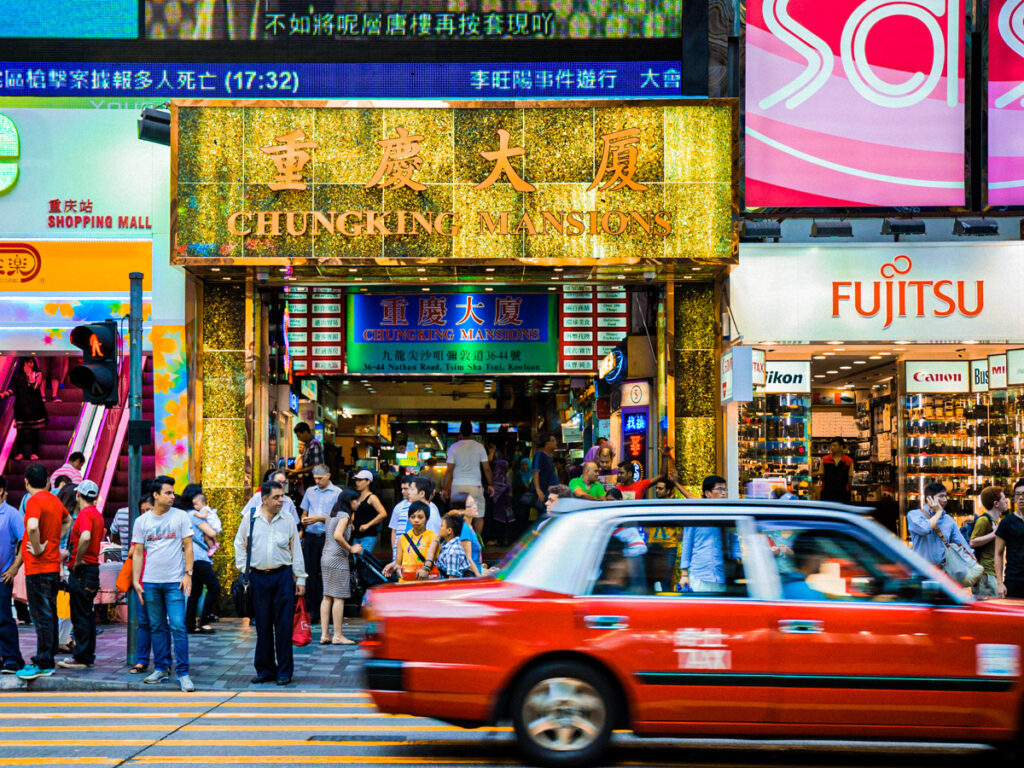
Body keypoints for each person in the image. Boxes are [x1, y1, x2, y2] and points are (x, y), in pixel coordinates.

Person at [233, 481, 306, 686]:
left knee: (283, 626)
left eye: (282, 496)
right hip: (258, 578)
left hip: (283, 576)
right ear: (264, 499)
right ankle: (265, 670)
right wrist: (243, 568)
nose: (281, 500)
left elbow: (296, 550)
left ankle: (284, 671)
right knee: (263, 625)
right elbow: (239, 543)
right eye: (276, 497)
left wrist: (300, 578)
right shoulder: (251, 518)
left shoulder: (288, 519)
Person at [132, 478, 195, 692]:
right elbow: (138, 552)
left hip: (174, 581)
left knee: (178, 626)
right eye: (168, 492)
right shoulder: (142, 521)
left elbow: (188, 546)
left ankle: (183, 673)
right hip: (150, 581)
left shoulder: (180, 516)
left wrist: (188, 573)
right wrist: (135, 580)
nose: (172, 496)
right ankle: (160, 668)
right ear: (156, 495)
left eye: (173, 493)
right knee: (157, 626)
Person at [16, 464, 70, 680]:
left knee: (41, 616)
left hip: (38, 568)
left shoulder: (34, 501)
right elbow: (68, 520)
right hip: (52, 566)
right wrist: (53, 543)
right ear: (48, 480)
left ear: (26, 482)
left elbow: (31, 526)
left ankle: (44, 662)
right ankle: (48, 657)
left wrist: (38, 548)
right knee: (50, 614)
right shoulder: (54, 500)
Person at [58, 480, 104, 670]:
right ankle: (86, 655)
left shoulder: (85, 514)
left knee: (80, 615)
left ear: (78, 495)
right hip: (92, 571)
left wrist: (77, 560)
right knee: (86, 614)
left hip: (83, 570)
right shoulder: (97, 515)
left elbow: (85, 536)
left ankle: (82, 657)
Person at [677, 475, 741, 593]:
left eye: (725, 490)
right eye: (720, 489)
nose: (724, 493)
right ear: (707, 493)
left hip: (722, 575)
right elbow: (687, 544)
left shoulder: (728, 514)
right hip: (700, 575)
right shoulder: (695, 515)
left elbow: (733, 538)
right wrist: (684, 574)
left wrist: (737, 558)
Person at [298, 464, 341, 620]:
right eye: (315, 478)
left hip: (327, 537)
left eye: (320, 478)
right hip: (310, 537)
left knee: (328, 574)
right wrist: (304, 519)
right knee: (310, 572)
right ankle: (312, 609)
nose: (317, 481)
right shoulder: (310, 491)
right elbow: (304, 511)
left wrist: (319, 519)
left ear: (328, 476)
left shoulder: (337, 493)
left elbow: (338, 518)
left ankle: (328, 611)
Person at [321, 489, 361, 645]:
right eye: (355, 501)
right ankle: (337, 635)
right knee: (339, 597)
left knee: (327, 597)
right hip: (338, 559)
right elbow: (338, 535)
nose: (358, 503)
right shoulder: (344, 516)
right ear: (349, 502)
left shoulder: (331, 516)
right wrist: (350, 548)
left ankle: (325, 634)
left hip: (325, 557)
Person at [180, 486, 222, 634]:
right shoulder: (193, 514)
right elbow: (211, 531)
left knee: (195, 591)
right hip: (199, 557)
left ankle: (189, 624)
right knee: (214, 586)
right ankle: (204, 621)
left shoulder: (186, 514)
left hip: (193, 557)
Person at [906, 482, 974, 569]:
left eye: (945, 496)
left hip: (943, 572)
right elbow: (925, 529)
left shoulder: (948, 520)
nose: (945, 500)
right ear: (929, 498)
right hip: (921, 572)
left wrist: (971, 556)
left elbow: (961, 542)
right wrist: (938, 512)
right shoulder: (914, 515)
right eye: (941, 496)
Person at [442, 420, 492, 536]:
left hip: (457, 485)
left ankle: (459, 541)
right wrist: (490, 485)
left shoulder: (454, 447)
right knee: (478, 515)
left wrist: (445, 489)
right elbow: (487, 469)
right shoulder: (479, 447)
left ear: (460, 432)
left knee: (457, 515)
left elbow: (449, 470)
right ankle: (476, 542)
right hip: (475, 485)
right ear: (472, 432)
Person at [125, 495, 154, 674]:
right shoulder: (141, 526)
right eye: (142, 511)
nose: (145, 514)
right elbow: (132, 551)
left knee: (160, 624)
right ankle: (142, 660)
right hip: (141, 581)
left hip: (158, 580)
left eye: (148, 510)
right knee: (143, 623)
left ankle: (162, 662)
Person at [0, 476, 25, 674]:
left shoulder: (11, 514)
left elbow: (24, 541)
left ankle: (12, 658)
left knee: (4, 618)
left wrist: (15, 568)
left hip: (2, 576)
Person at [2, 358, 48, 462]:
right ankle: (20, 452)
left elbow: (35, 387)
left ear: (33, 363)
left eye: (30, 362)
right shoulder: (18, 376)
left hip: (34, 407)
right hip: (21, 407)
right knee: (20, 431)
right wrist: (4, 394)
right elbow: (13, 389)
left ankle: (34, 452)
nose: (28, 364)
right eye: (26, 362)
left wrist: (29, 375)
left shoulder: (38, 374)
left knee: (34, 431)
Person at [970, 486, 1006, 598]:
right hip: (985, 574)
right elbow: (972, 542)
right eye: (1004, 499)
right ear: (996, 503)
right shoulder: (984, 520)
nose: (1007, 501)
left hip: (991, 573)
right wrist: (994, 533)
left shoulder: (995, 521)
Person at [996, 478, 1024, 599]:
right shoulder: (1006, 522)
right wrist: (999, 583)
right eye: (1018, 494)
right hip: (1014, 580)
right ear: (1014, 498)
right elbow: (998, 553)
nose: (1021, 497)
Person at [395, 501, 436, 582]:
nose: (416, 520)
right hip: (406, 581)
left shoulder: (433, 537)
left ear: (427, 518)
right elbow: (397, 563)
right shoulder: (402, 538)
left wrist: (426, 569)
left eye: (420, 517)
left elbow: (433, 559)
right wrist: (397, 569)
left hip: (424, 581)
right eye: (412, 517)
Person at [351, 469, 387, 554]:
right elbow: (355, 513)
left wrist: (368, 525)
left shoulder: (372, 497)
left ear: (368, 482)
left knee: (362, 562)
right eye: (356, 480)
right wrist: (351, 522)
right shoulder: (358, 497)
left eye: (360, 480)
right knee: (357, 563)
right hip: (356, 535)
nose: (357, 482)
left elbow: (383, 513)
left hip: (368, 536)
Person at [781, 534, 827, 601]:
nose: (823, 560)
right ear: (810, 557)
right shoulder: (805, 592)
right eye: (820, 554)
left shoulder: (788, 582)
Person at [446, 493, 483, 576]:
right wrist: (479, 577)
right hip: (470, 577)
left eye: (475, 503)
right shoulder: (464, 529)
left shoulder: (470, 527)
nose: (475, 506)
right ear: (461, 510)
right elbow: (468, 559)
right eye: (471, 504)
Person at [431, 513, 473, 579]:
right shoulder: (445, 545)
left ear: (449, 531)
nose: (439, 528)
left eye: (442, 526)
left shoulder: (453, 551)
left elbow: (452, 580)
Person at [289, 422, 324, 489]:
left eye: (299, 436)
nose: (298, 439)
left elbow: (317, 465)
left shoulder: (314, 444)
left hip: (314, 481)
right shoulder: (308, 445)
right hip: (309, 481)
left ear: (305, 432)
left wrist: (297, 472)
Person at [532, 432, 558, 508]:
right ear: (547, 443)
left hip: (550, 493)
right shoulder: (539, 454)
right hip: (543, 493)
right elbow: (535, 472)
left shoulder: (549, 457)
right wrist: (538, 490)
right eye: (553, 440)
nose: (555, 442)